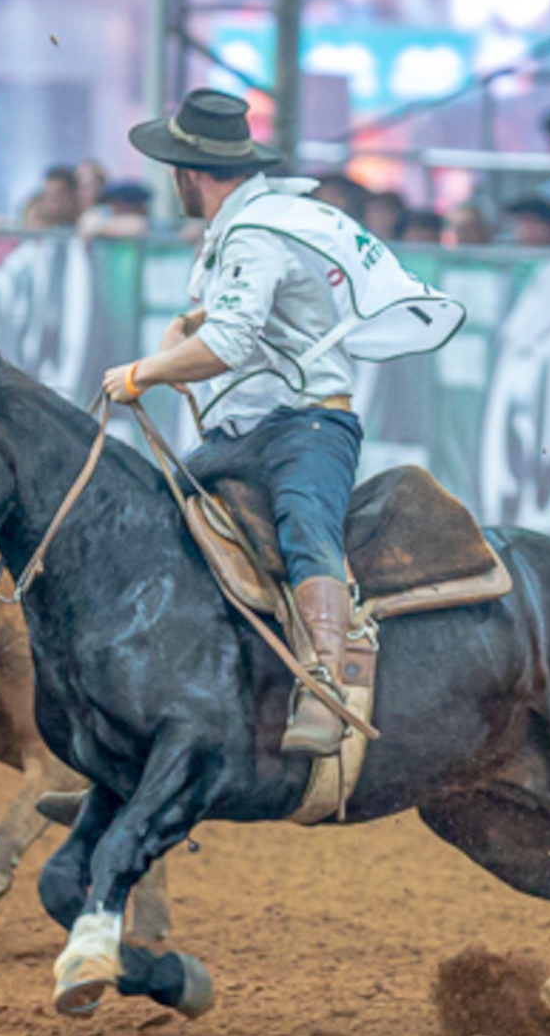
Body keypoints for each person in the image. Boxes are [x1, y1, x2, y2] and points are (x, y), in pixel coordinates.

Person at [103, 89, 464, 757]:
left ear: (189, 172)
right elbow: (233, 325)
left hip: (304, 428)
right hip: (240, 434)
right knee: (159, 524)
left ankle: (324, 685)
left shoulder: (254, 234)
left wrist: (144, 373)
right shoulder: (249, 229)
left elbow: (228, 347)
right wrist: (188, 331)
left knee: (306, 525)